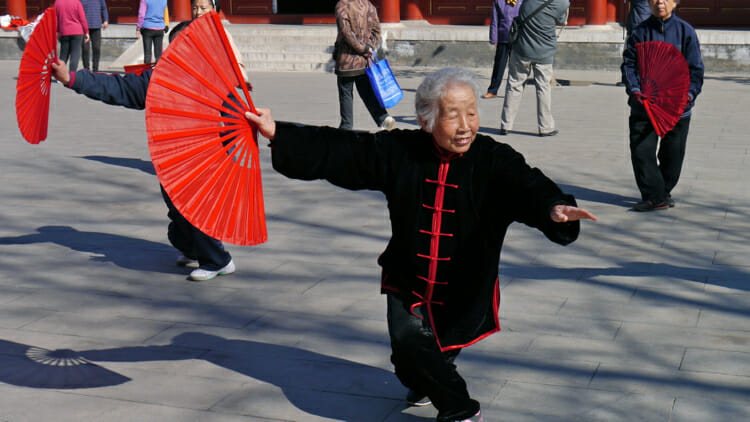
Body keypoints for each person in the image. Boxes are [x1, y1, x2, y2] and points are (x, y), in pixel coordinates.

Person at [246, 68, 597, 422]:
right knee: (408, 352)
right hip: (407, 277)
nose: (465, 125)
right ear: (426, 120)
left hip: (464, 286)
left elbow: (528, 185)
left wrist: (553, 206)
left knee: (432, 354)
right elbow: (345, 151)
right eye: (452, 114)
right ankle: (451, 399)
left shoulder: (494, 159)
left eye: (472, 112)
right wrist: (280, 133)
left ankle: (456, 406)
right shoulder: (401, 150)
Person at [50, 21, 237, 281]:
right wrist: (72, 78)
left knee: (194, 211)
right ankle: (192, 248)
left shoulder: (217, 80)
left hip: (203, 159)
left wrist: (229, 156)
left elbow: (234, 121)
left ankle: (219, 261)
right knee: (177, 217)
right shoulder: (160, 79)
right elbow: (119, 88)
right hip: (169, 159)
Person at [621, 0, 703, 211]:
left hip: (676, 106)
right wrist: (636, 90)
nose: (659, 3)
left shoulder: (686, 32)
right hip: (645, 104)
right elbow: (629, 64)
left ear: (675, 2)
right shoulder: (640, 32)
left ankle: (662, 192)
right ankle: (653, 196)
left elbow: (695, 69)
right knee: (642, 151)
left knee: (673, 153)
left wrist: (689, 94)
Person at [499, 0, 569, 137]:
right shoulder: (562, 3)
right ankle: (545, 127)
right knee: (543, 87)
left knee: (514, 85)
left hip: (522, 49)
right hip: (545, 50)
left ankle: (506, 125)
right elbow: (561, 19)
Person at [333, 0, 395, 131]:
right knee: (366, 91)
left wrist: (361, 48)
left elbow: (346, 33)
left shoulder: (342, 5)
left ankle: (346, 126)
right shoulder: (368, 5)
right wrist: (369, 47)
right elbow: (377, 30)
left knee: (346, 94)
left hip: (347, 59)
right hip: (364, 60)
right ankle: (383, 117)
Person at [482, 0, 524, 99]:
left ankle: (515, 91)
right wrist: (493, 38)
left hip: (518, 38)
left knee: (517, 67)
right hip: (503, 38)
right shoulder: (499, 2)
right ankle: (492, 90)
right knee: (499, 66)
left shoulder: (524, 1)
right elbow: (495, 21)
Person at [55, 0, 90, 72]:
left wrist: (57, 31)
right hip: (77, 31)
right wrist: (86, 31)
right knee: (75, 54)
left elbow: (56, 19)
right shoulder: (76, 2)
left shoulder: (58, 2)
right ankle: (72, 74)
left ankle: (60, 73)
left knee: (63, 54)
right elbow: (82, 18)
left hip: (64, 31)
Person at [80, 0, 108, 72]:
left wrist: (106, 20)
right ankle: (86, 69)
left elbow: (104, 8)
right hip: (84, 27)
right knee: (85, 49)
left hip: (96, 26)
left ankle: (95, 69)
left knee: (96, 48)